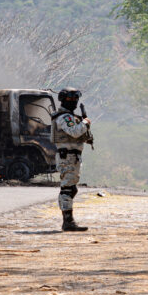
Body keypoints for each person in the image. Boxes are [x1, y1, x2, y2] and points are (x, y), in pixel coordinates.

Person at [50, 87, 93, 232]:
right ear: (63, 99)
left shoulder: (69, 116)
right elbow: (74, 131)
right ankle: (68, 222)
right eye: (70, 99)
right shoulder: (65, 117)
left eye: (75, 98)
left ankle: (68, 220)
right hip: (67, 156)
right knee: (67, 189)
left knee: (71, 189)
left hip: (71, 156)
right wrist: (85, 123)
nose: (73, 101)